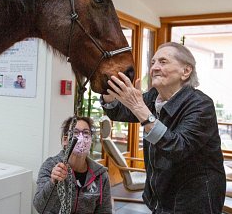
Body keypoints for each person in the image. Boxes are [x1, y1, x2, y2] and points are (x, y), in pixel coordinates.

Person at [101, 42, 225, 213]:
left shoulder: (201, 105)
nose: (154, 68)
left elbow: (178, 147)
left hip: (194, 201)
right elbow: (120, 112)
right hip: (159, 197)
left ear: (186, 71)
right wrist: (107, 87)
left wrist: (140, 109)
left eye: (163, 62)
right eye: (152, 63)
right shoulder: (153, 97)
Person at [33, 116, 112, 213]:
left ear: (91, 140)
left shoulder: (101, 175)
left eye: (86, 133)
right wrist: (53, 182)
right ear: (65, 140)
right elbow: (39, 207)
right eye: (75, 132)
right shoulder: (50, 166)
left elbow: (105, 211)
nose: (81, 138)